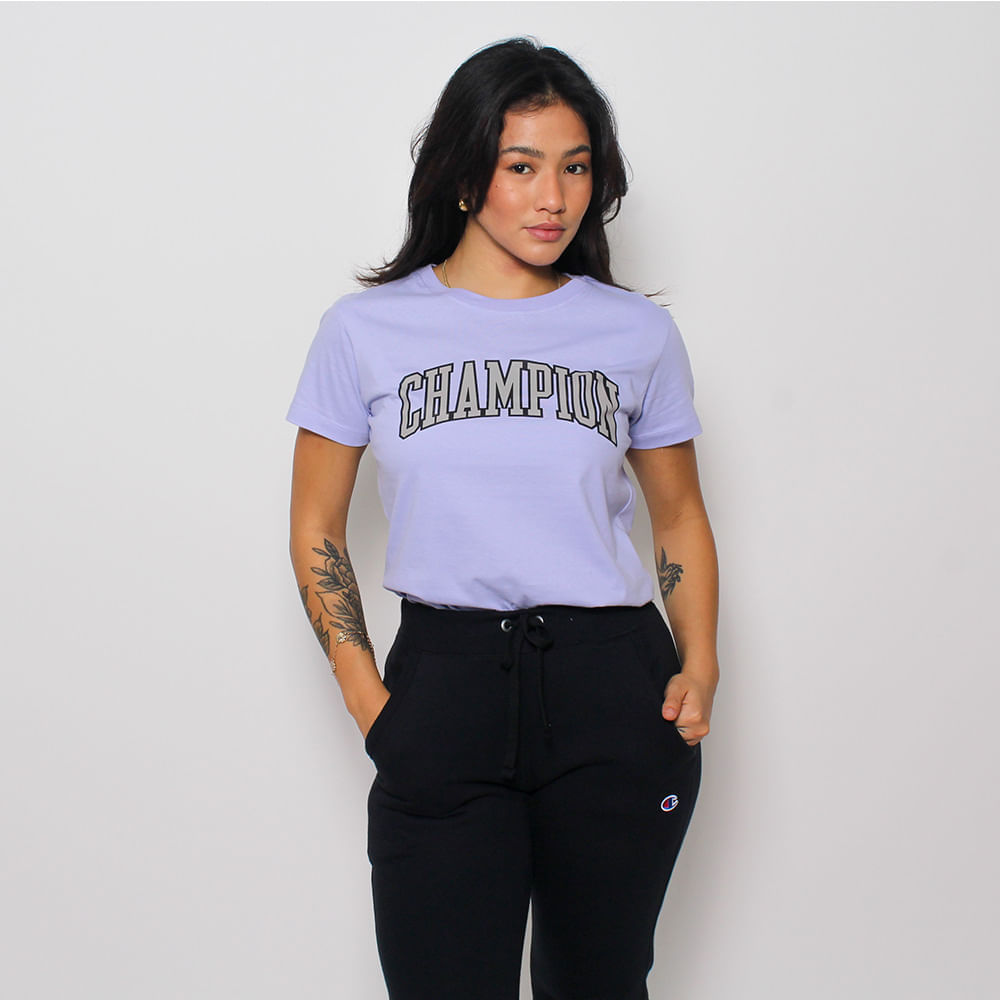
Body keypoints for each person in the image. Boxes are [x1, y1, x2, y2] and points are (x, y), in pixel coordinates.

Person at [286, 36, 719, 1000]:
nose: (553, 197)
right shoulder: (365, 331)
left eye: (575, 167)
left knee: (599, 985)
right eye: (521, 166)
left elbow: (680, 516)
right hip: (444, 690)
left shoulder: (636, 333)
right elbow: (316, 525)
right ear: (462, 173)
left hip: (615, 693)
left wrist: (700, 664)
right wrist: (371, 703)